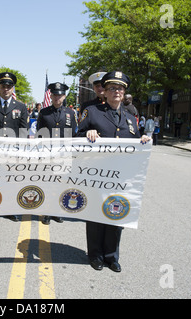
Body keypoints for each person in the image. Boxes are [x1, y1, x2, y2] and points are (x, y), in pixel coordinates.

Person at [77, 71, 151, 273]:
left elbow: (135, 141)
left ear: (124, 92)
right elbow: (77, 136)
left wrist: (143, 140)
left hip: (121, 177)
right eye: (112, 88)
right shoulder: (92, 112)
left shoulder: (131, 119)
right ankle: (95, 255)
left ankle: (112, 256)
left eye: (120, 88)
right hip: (96, 174)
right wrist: (87, 133)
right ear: (105, 92)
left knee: (116, 213)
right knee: (95, 215)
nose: (116, 92)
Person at [0, 72, 29, 222]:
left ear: (12, 88)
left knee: (10, 181)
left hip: (13, 151)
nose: (6, 89)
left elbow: (23, 132)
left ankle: (10, 209)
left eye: (9, 86)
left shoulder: (21, 107)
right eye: (3, 86)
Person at [36, 82, 77, 225]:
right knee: (48, 184)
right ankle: (47, 212)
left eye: (60, 95)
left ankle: (57, 212)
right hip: (48, 154)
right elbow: (39, 134)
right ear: (51, 96)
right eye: (54, 95)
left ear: (64, 96)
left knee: (61, 184)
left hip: (64, 154)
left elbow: (73, 134)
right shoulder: (44, 112)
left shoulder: (70, 113)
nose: (57, 97)